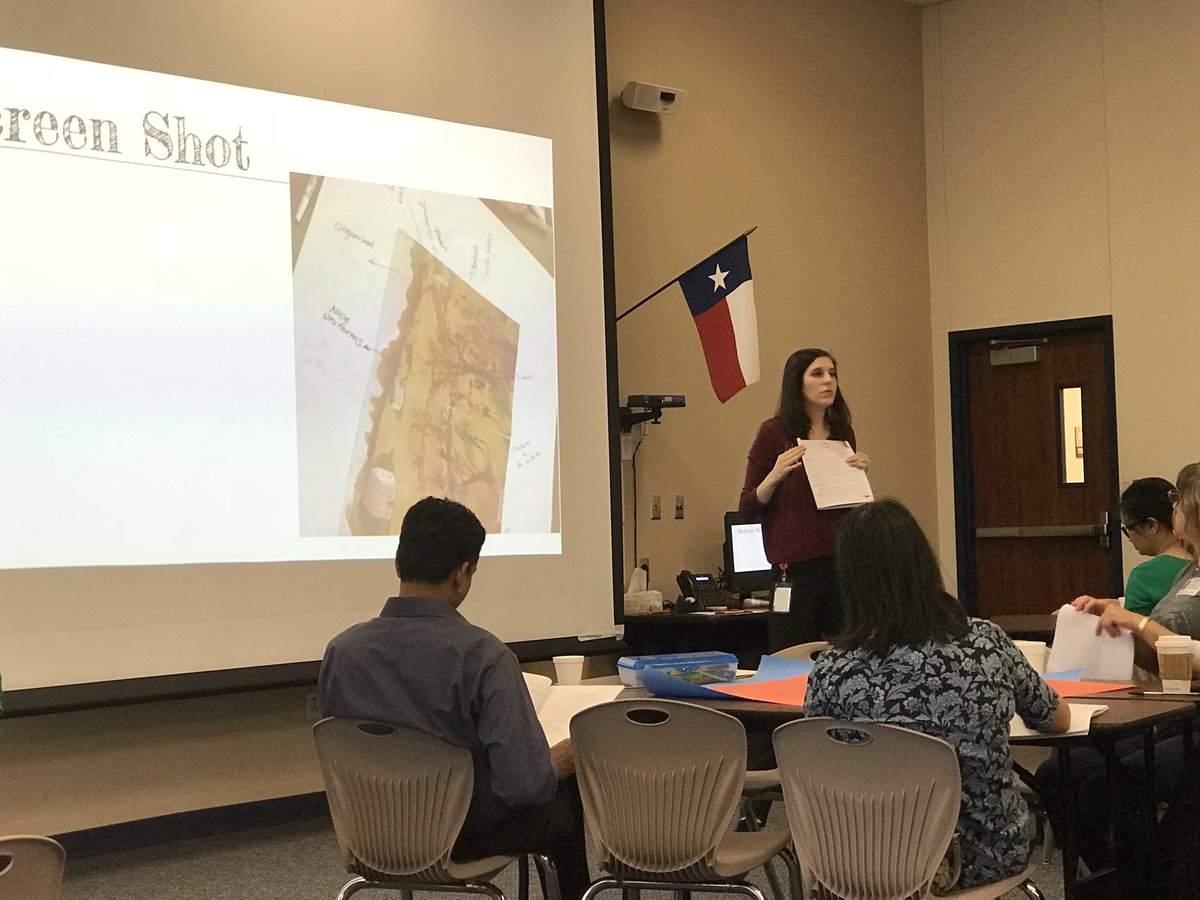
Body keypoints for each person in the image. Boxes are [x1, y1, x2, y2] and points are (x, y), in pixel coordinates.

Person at [318, 497, 588, 898]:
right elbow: (524, 788)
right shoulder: (484, 656)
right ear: (462, 574)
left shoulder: (341, 652)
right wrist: (559, 759)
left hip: (371, 832)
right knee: (560, 792)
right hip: (459, 835)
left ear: (398, 563)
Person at [803, 498, 1069, 889]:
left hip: (863, 859)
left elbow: (816, 762)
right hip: (983, 854)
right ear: (923, 564)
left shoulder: (832, 670)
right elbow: (1056, 719)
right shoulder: (985, 643)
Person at [738, 348, 869, 648]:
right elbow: (746, 507)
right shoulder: (774, 433)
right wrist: (775, 474)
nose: (829, 382)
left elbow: (846, 506)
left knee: (841, 651)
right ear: (797, 383)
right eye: (818, 374)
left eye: (832, 374)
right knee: (793, 653)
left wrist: (859, 478)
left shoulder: (842, 432)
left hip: (839, 564)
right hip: (794, 570)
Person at [1098, 477, 1189, 617]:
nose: (1129, 539)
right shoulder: (1194, 563)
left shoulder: (1144, 576)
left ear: (1151, 525)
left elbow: (1134, 632)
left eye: (1129, 528)